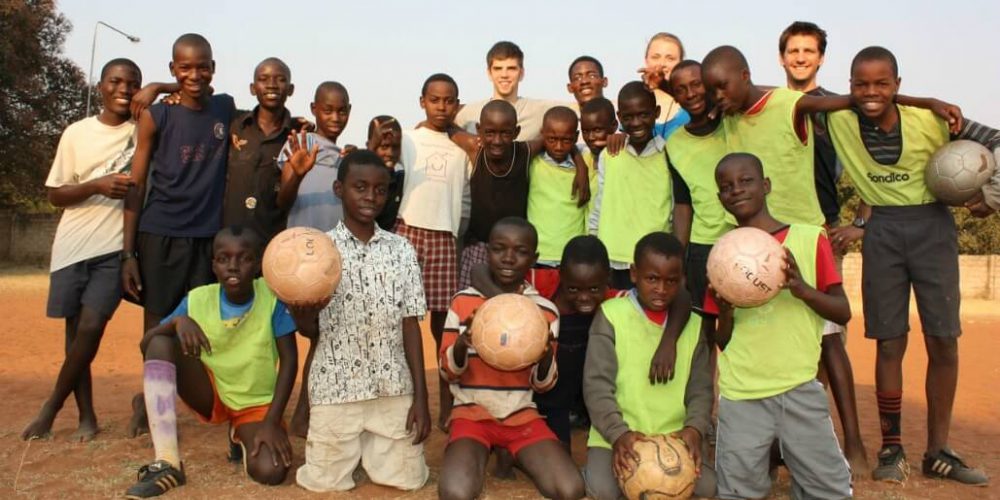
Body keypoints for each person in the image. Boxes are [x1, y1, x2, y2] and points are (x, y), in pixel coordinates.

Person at [827, 47, 998, 485]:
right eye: (860, 84)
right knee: (889, 342)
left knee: (944, 339)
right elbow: (788, 99)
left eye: (882, 84)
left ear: (897, 86)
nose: (871, 92)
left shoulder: (936, 121)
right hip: (883, 229)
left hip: (933, 227)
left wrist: (991, 197)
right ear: (848, 87)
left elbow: (996, 141)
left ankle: (938, 450)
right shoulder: (838, 118)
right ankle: (892, 447)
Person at [705, 152, 852, 499]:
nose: (736, 190)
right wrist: (725, 310)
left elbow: (842, 312)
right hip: (742, 395)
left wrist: (802, 290)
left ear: (766, 185)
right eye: (726, 187)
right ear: (720, 199)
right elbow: (720, 339)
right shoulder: (723, 255)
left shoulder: (807, 238)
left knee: (828, 490)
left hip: (799, 387)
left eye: (746, 181)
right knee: (739, 492)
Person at [124, 225, 301, 498]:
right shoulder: (198, 299)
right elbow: (146, 344)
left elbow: (290, 361)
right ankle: (167, 462)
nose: (233, 266)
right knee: (161, 341)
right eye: (223, 258)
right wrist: (177, 322)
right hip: (209, 390)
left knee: (272, 471)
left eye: (243, 258)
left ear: (257, 264)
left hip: (255, 404)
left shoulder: (272, 297)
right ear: (214, 265)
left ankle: (240, 435)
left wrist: (272, 422)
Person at [702, 44, 963, 229]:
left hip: (799, 227)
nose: (718, 96)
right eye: (712, 92)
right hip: (749, 228)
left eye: (723, 87)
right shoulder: (725, 112)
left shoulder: (791, 104)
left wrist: (927, 102)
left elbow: (861, 99)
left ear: (745, 76)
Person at [294, 150, 432, 492]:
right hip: (336, 388)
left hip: (392, 387)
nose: (371, 196)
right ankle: (351, 452)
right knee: (325, 484)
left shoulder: (401, 249)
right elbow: (311, 333)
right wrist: (304, 312)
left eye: (380, 189)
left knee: (408, 481)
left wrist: (421, 399)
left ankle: (368, 453)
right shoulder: (320, 251)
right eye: (360, 187)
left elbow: (411, 325)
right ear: (339, 189)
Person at [21, 59, 142, 442]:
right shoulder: (77, 133)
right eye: (115, 81)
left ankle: (51, 406)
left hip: (113, 250)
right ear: (101, 86)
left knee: (91, 327)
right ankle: (86, 416)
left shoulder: (145, 131)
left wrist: (155, 89)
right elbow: (55, 194)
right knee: (76, 338)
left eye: (132, 83)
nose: (123, 89)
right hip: (72, 247)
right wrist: (96, 185)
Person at [123, 34, 236, 436]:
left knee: (204, 324)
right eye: (184, 68)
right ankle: (150, 402)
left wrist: (163, 85)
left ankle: (213, 405)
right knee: (157, 324)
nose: (194, 74)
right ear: (173, 69)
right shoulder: (157, 116)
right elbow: (136, 184)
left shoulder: (225, 107)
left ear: (213, 68)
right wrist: (128, 254)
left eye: (202, 66)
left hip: (208, 239)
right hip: (161, 233)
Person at [777, 21, 869, 475]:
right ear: (781, 58)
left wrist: (858, 222)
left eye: (808, 50)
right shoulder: (773, 107)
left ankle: (852, 442)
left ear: (820, 57)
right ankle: (796, 438)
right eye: (792, 50)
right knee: (785, 337)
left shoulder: (836, 110)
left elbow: (871, 162)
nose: (799, 57)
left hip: (820, 231)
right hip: (776, 234)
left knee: (829, 339)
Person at [437, 217, 585, 500]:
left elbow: (544, 385)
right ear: (487, 251)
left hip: (521, 415)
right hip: (472, 413)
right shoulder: (462, 301)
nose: (508, 257)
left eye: (520, 251)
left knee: (571, 489)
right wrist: (462, 343)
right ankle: (484, 451)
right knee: (456, 493)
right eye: (499, 248)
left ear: (534, 258)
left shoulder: (544, 311)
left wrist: (543, 357)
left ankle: (512, 452)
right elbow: (447, 372)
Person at [583, 232, 716, 500]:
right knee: (603, 491)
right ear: (634, 273)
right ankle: (594, 464)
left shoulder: (692, 324)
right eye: (652, 279)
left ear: (682, 281)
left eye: (671, 281)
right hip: (619, 435)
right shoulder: (611, 315)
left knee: (708, 488)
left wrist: (694, 429)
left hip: (673, 435)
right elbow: (596, 386)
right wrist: (618, 433)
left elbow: (700, 389)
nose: (661, 289)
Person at [394, 73, 472, 429]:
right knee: (400, 319)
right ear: (422, 101)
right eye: (435, 100)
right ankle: (403, 399)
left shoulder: (464, 145)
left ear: (457, 104)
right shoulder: (408, 139)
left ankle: (446, 402)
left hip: (444, 235)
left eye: (449, 100)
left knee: (443, 325)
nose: (442, 107)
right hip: (407, 231)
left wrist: (465, 136)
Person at [663, 60, 733, 313]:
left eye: (696, 84)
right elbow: (683, 205)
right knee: (705, 328)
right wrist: (679, 261)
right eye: (681, 89)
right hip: (702, 247)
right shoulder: (675, 143)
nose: (690, 94)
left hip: (745, 238)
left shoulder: (736, 122)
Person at [589, 81, 672, 290]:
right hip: (611, 257)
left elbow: (672, 209)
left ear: (656, 113)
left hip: (653, 260)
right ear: (619, 118)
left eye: (644, 115)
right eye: (628, 117)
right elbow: (599, 204)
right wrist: (594, 245)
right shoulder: (610, 154)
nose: (636, 123)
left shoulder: (669, 155)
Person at [222, 57, 297, 243]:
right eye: (263, 79)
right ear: (252, 88)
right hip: (226, 238)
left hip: (270, 241)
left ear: (290, 89)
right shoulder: (235, 124)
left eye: (280, 79)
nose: (271, 85)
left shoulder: (297, 137)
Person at [276, 81, 351, 232]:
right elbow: (282, 203)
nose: (335, 118)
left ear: (349, 110)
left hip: (335, 248)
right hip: (303, 244)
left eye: (342, 111)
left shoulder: (346, 157)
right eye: (328, 111)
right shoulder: (302, 144)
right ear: (314, 109)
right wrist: (298, 175)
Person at [454, 41, 561, 141]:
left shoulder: (540, 111)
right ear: (489, 73)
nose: (504, 75)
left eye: (511, 68)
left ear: (522, 73)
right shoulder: (467, 114)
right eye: (498, 68)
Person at [639, 32, 690, 138]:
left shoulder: (693, 101)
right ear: (646, 60)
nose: (662, 64)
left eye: (670, 58)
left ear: (680, 62)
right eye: (655, 57)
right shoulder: (630, 100)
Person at [366, 115, 406, 231]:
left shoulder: (400, 180)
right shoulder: (359, 180)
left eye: (395, 147)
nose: (390, 153)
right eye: (384, 146)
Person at [579, 97, 618, 170]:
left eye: (597, 130)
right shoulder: (583, 158)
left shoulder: (623, 155)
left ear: (614, 126)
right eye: (585, 131)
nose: (590, 137)